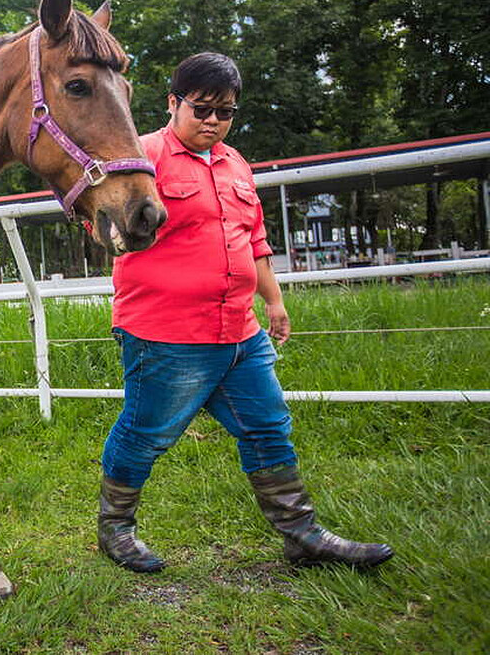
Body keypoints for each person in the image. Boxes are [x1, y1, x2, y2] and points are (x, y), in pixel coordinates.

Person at [97, 52, 393, 573]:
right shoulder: (141, 155)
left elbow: (253, 240)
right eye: (202, 108)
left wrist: (273, 301)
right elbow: (105, 224)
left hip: (240, 330)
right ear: (174, 102)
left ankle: (301, 534)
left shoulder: (236, 164)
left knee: (267, 425)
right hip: (167, 333)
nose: (213, 120)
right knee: (146, 433)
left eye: (225, 112)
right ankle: (116, 530)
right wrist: (113, 232)